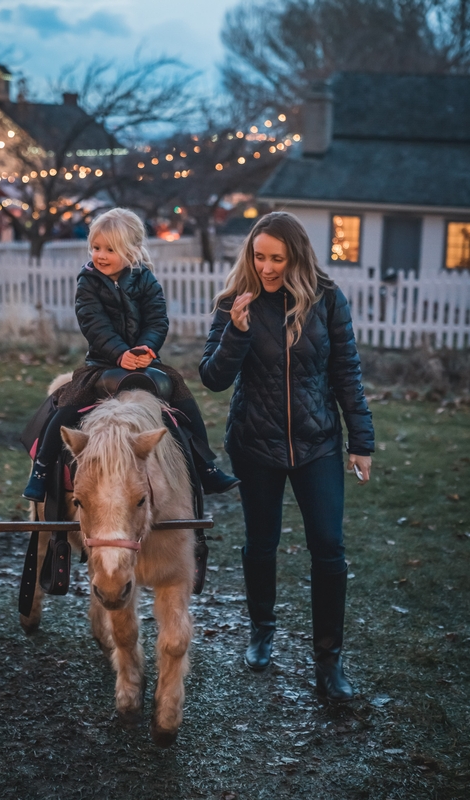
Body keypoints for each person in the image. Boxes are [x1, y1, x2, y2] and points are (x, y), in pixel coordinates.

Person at [199, 211, 374, 703]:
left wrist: (360, 441)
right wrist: (235, 331)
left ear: (296, 256)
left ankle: (328, 659)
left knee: (329, 546)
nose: (268, 267)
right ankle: (262, 629)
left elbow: (347, 374)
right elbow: (212, 378)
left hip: (317, 444)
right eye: (260, 256)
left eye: (278, 258)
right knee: (261, 542)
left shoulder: (327, 299)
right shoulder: (236, 301)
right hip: (255, 444)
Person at [23, 207, 239, 502]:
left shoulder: (146, 281)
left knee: (182, 399)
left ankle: (206, 466)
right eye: (96, 247)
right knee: (68, 406)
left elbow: (157, 320)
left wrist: (147, 348)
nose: (100, 255)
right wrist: (119, 354)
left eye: (110, 249)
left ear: (132, 251)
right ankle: (42, 469)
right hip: (102, 363)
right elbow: (93, 325)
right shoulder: (88, 282)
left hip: (144, 361)